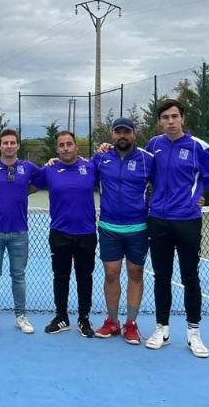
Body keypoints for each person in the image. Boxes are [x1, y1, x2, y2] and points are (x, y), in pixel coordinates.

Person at [144, 99, 209, 358]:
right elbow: (143, 176)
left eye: (174, 116)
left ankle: (194, 333)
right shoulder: (153, 146)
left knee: (190, 278)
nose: (170, 121)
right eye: (165, 118)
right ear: (159, 122)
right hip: (158, 220)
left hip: (187, 221)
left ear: (182, 119)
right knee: (161, 277)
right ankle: (162, 328)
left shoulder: (199, 148)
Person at [91, 118, 154, 344]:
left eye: (126, 132)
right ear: (112, 135)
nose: (122, 136)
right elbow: (77, 173)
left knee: (135, 273)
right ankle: (112, 322)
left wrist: (195, 198)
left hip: (138, 227)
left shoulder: (148, 160)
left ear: (134, 134)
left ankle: (131, 324)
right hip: (108, 227)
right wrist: (53, 161)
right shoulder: (100, 158)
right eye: (118, 132)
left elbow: (166, 184)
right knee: (111, 274)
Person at [31, 130, 98, 337]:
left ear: (77, 146)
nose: (66, 148)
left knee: (84, 277)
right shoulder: (48, 170)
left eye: (69, 144)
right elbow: (24, 188)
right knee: (61, 277)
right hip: (59, 233)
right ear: (57, 149)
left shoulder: (91, 167)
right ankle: (61, 317)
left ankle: (84, 318)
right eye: (61, 145)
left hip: (87, 233)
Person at [0, 129, 38, 333]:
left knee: (18, 275)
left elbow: (43, 178)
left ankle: (20, 316)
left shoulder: (29, 167)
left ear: (18, 145)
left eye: (13, 142)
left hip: (19, 231)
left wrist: (21, 192)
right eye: (5, 143)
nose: (9, 146)